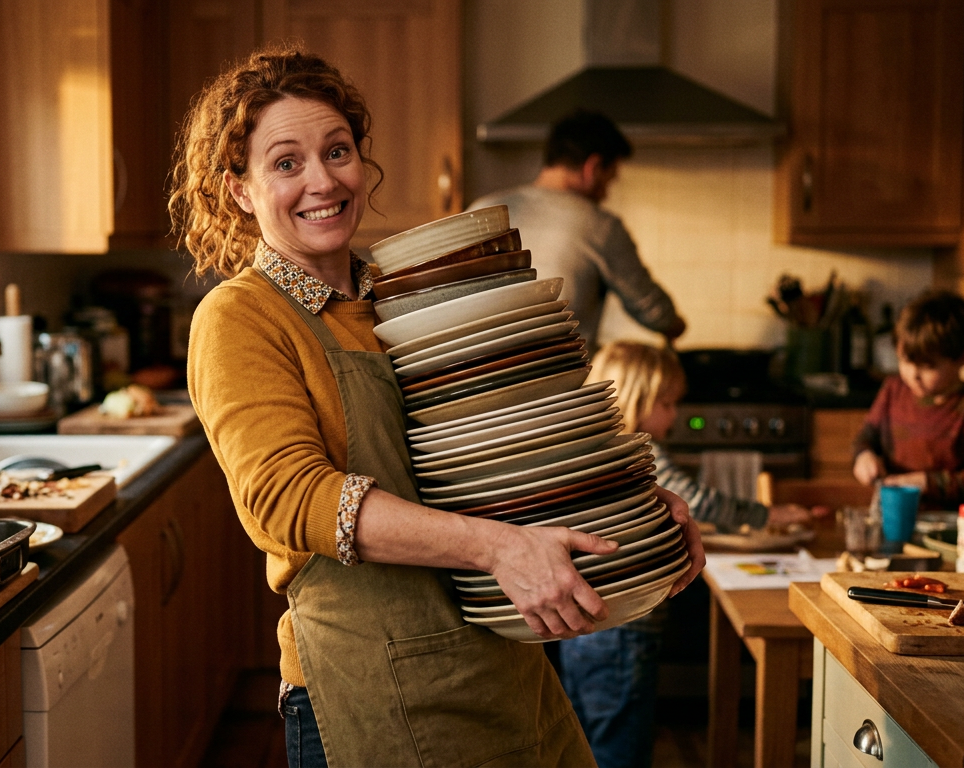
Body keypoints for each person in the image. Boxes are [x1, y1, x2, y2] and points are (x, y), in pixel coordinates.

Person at [171, 46, 705, 768]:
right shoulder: (242, 317)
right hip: (366, 682)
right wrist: (497, 548)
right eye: (286, 162)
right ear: (239, 189)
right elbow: (287, 498)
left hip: (504, 662)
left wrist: (632, 505)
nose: (322, 180)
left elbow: (515, 446)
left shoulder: (407, 294)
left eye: (337, 150)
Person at [557, 341, 809, 768]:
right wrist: (763, 514)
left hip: (584, 625)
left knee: (585, 739)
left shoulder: (592, 453)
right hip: (623, 627)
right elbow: (693, 500)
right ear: (635, 398)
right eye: (668, 403)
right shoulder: (637, 453)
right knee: (621, 748)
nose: (676, 415)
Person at [469, 109, 685, 345]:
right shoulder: (600, 226)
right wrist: (676, 326)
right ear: (592, 168)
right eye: (608, 180)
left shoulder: (480, 210)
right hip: (561, 378)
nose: (605, 194)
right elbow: (651, 309)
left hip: (476, 377)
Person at [852, 289, 964, 507]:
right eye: (905, 361)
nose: (912, 375)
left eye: (927, 366)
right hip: (893, 516)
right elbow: (865, 438)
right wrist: (863, 456)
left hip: (952, 528)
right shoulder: (893, 390)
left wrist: (926, 483)